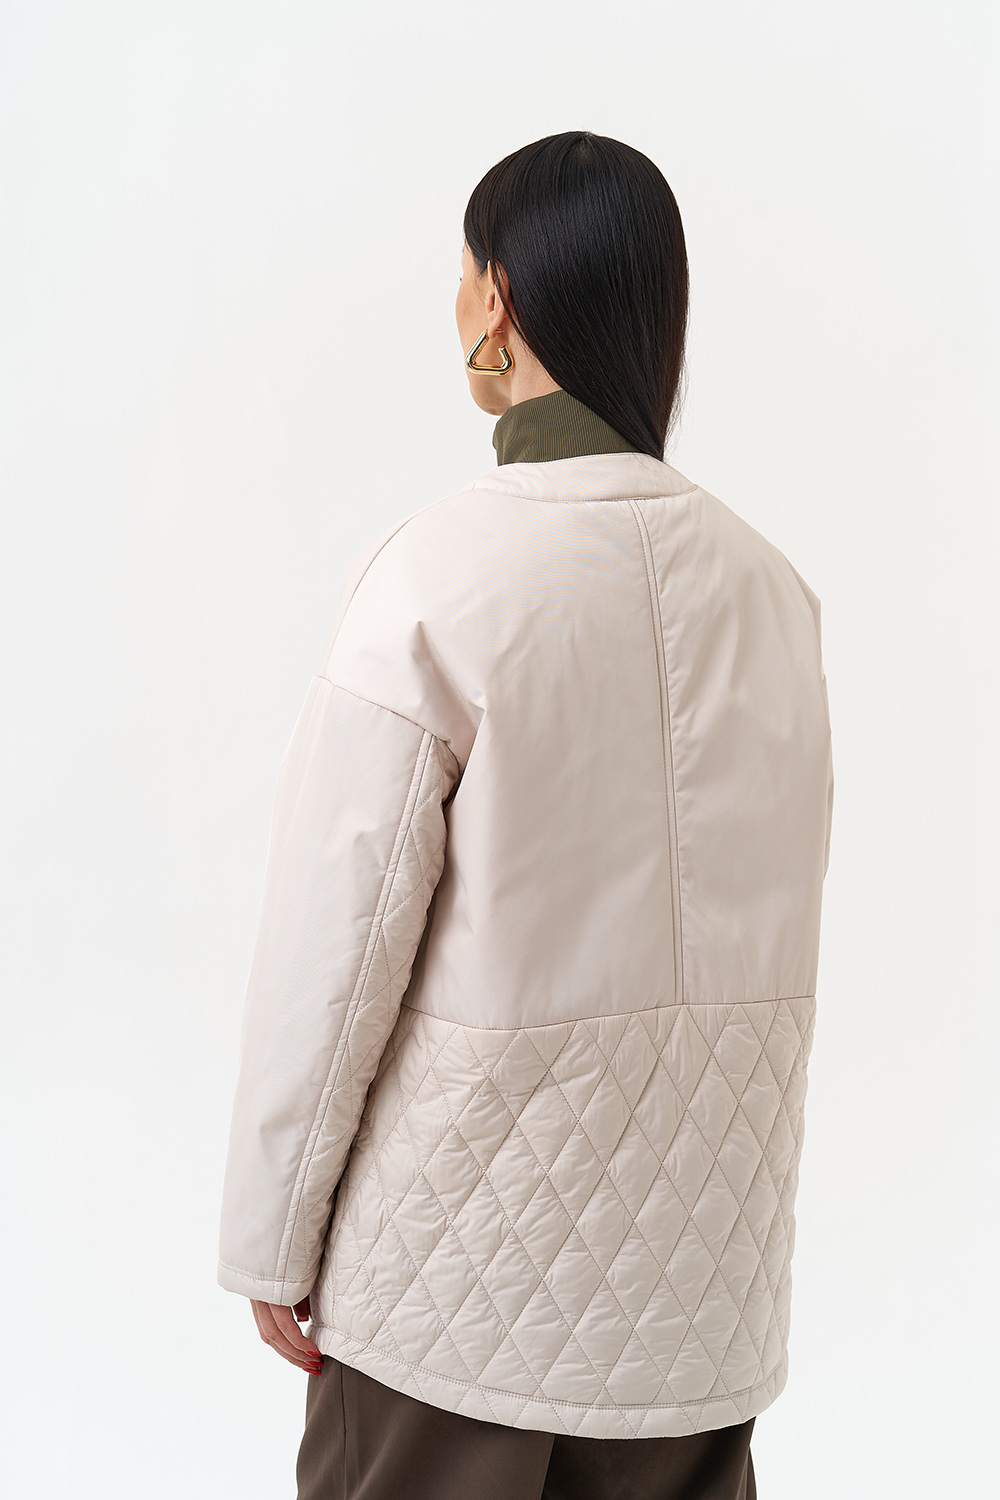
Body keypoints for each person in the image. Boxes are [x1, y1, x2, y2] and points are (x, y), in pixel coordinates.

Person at [217, 130, 834, 1500]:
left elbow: (337, 940)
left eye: (462, 272)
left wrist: (271, 1237)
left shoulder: (443, 575)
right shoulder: (773, 593)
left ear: (499, 298)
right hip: (700, 1322)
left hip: (453, 1312)